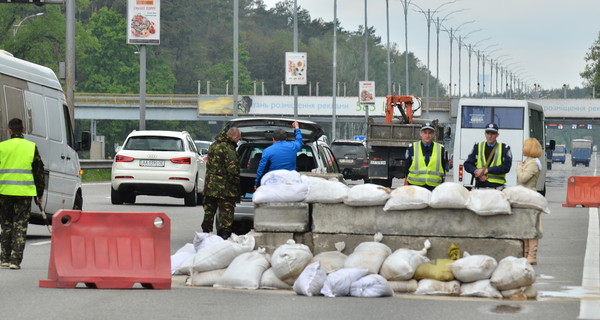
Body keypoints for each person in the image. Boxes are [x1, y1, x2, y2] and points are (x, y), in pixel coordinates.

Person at [0, 118, 45, 270]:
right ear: (23, 129)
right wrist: (39, 193)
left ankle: (4, 258)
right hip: (24, 192)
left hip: (4, 192)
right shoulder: (31, 147)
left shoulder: (2, 147)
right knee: (20, 225)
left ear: (10, 131)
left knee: (6, 224)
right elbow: (38, 172)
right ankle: (15, 261)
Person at [201, 127, 241, 240]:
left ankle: (205, 234)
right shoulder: (228, 148)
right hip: (224, 189)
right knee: (226, 214)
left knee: (209, 212)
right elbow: (232, 170)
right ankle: (223, 236)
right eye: (238, 139)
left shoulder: (213, 145)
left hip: (210, 186)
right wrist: (236, 186)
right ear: (235, 137)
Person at [517, 138, 543, 265]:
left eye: (524, 146)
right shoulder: (530, 161)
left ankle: (531, 255)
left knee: (531, 227)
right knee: (525, 227)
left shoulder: (532, 163)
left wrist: (519, 169)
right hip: (525, 197)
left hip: (529, 197)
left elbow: (523, 179)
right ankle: (526, 254)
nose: (522, 148)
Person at [463, 123, 512, 189]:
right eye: (488, 133)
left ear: (497, 135)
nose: (490, 136)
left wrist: (487, 170)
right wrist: (476, 172)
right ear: (485, 134)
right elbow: (467, 164)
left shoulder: (504, 148)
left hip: (497, 188)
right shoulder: (478, 147)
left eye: (493, 133)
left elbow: (506, 167)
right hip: (480, 187)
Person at [254, 121, 302, 187]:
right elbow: (299, 141)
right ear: (286, 138)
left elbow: (261, 170)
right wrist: (297, 128)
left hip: (273, 184)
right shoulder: (293, 146)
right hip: (289, 184)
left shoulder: (267, 151)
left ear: (273, 139)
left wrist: (257, 183)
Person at [404, 122, 448, 191]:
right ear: (421, 133)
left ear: (434, 134)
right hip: (415, 187)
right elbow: (406, 168)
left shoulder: (441, 149)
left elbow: (443, 167)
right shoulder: (412, 148)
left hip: (434, 188)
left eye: (430, 133)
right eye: (425, 133)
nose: (427, 135)